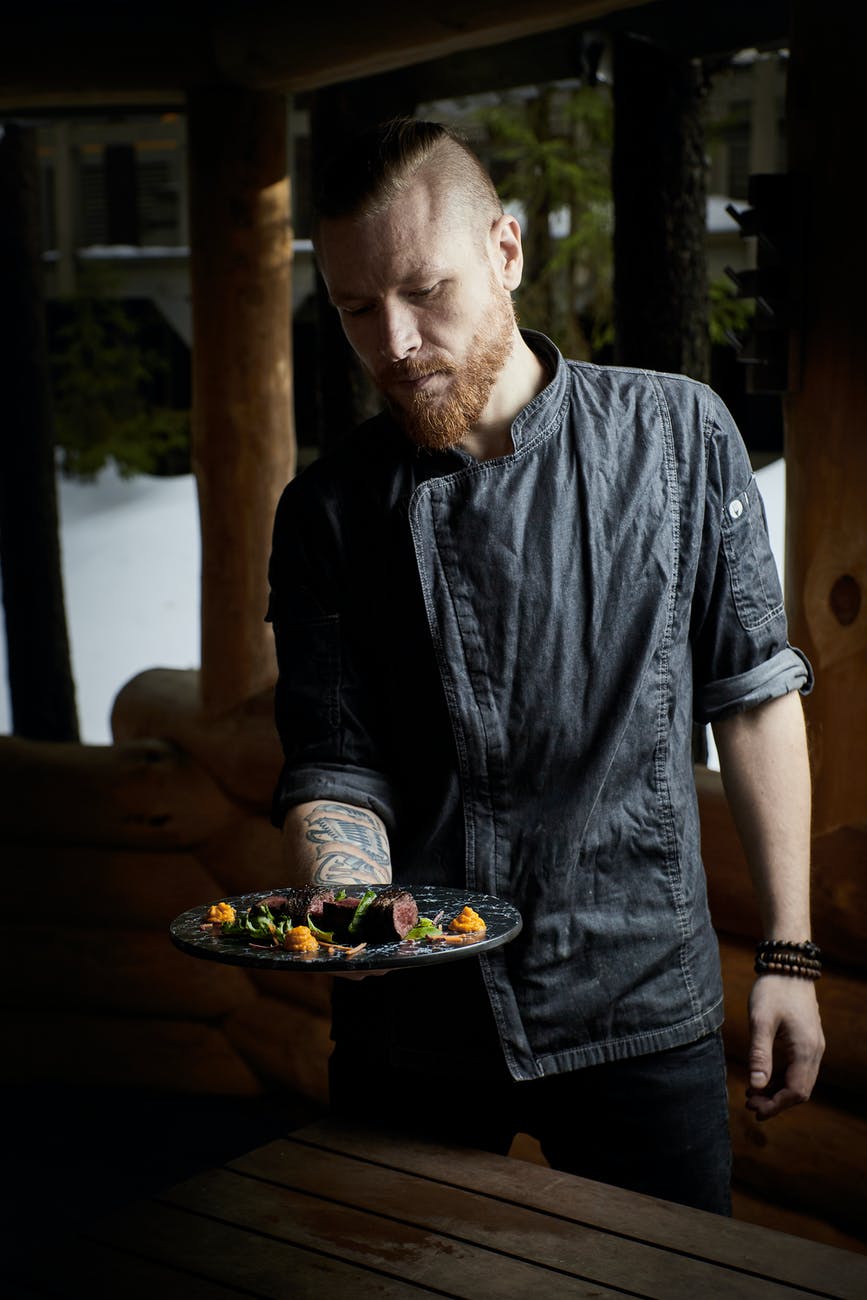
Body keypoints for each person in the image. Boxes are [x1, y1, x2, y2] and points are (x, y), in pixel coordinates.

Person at [266, 118, 825, 1215]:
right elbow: (335, 760)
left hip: (638, 1002)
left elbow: (753, 695)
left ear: (506, 252)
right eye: (355, 308)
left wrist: (792, 955)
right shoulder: (326, 512)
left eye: (426, 290)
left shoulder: (679, 436)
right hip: (414, 1025)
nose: (396, 340)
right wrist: (348, 903)